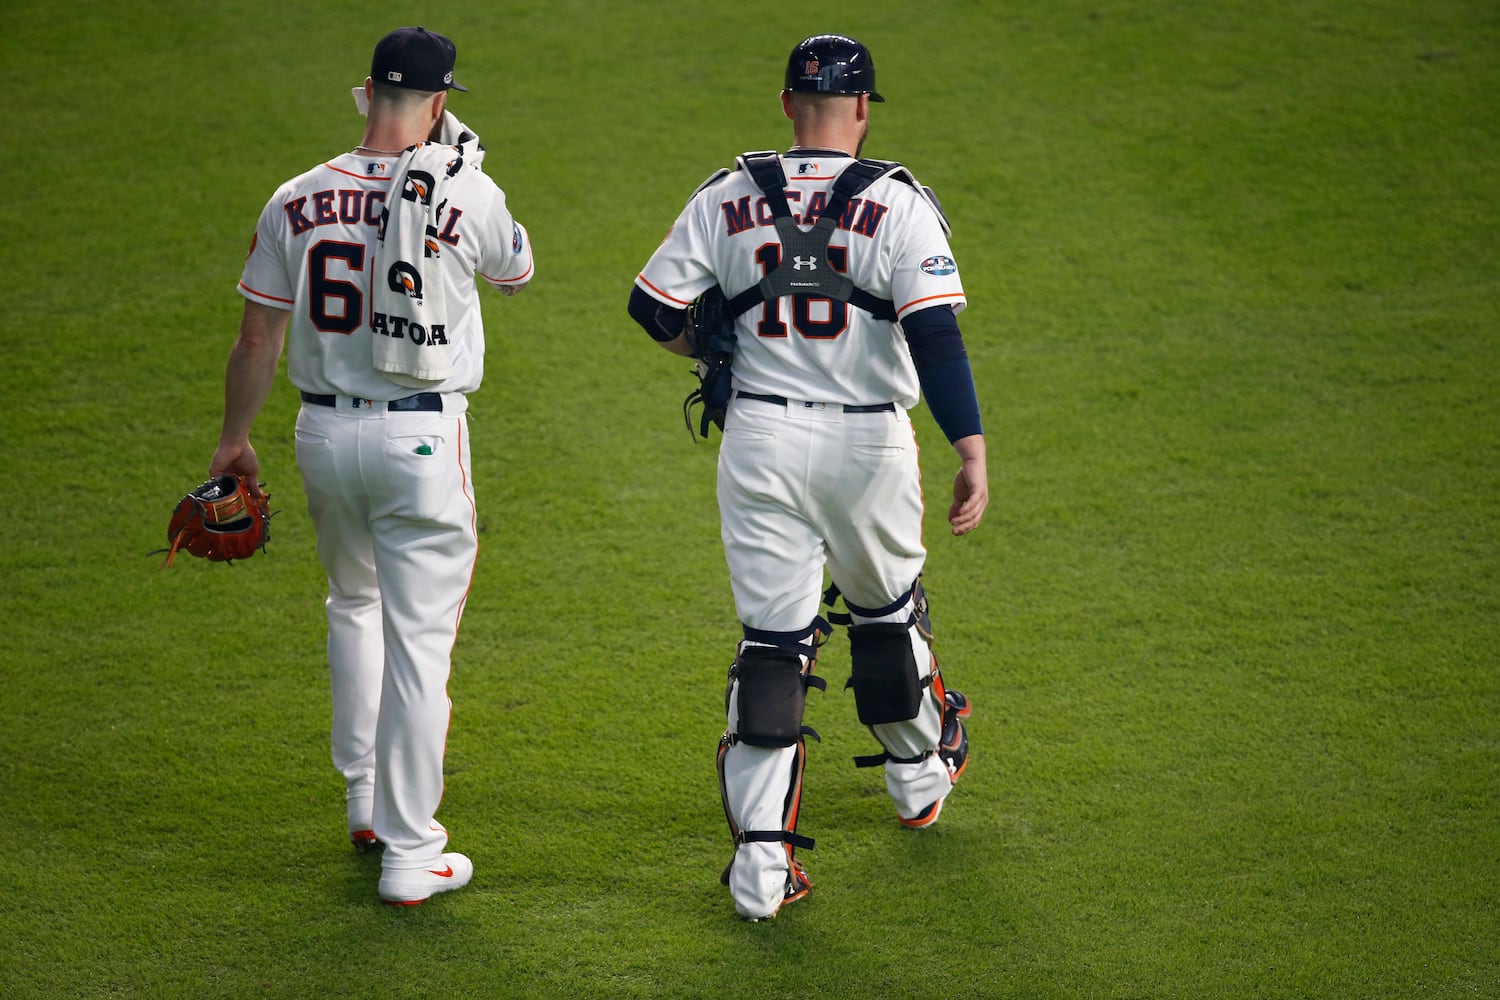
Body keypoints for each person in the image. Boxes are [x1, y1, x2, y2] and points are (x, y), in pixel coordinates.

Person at [627, 33, 988, 921]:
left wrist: (710, 347)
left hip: (760, 442)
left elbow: (653, 309)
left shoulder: (727, 192)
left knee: (772, 645)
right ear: (863, 111)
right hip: (869, 446)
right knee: (885, 613)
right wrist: (970, 448)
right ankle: (916, 776)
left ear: (788, 103)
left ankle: (760, 872)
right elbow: (935, 337)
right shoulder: (901, 204)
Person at [212, 26, 535, 905]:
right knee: (420, 647)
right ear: (439, 105)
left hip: (322, 437)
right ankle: (408, 850)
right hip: (422, 442)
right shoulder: (467, 192)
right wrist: (460, 176)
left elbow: (256, 337)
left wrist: (234, 439)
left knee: (352, 604)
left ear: (365, 93)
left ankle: (362, 795)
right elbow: (517, 272)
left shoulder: (294, 198)